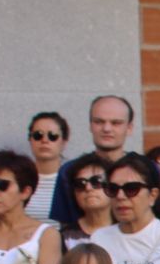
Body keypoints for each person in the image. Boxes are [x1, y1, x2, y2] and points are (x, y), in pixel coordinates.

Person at [47, 95, 135, 226]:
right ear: (90, 125)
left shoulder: (148, 170)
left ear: (129, 128)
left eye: (116, 123)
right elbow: (65, 225)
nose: (106, 128)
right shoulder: (69, 171)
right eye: (99, 121)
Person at [57, 156, 116, 248]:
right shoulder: (63, 237)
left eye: (96, 181)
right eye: (80, 184)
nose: (88, 188)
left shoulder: (128, 230)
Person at [26, 112, 70, 221]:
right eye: (38, 135)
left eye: (52, 136)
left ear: (64, 142)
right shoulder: (18, 178)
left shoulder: (72, 179)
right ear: (30, 140)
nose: (44, 141)